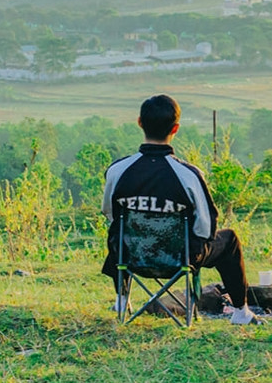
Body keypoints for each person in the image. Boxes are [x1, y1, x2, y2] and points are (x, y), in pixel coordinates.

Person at [102, 94, 251, 315]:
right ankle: (241, 312)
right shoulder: (189, 175)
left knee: (119, 234)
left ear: (140, 123)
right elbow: (206, 227)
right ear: (175, 129)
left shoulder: (117, 170)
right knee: (229, 240)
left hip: (132, 256)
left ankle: (122, 301)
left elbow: (110, 215)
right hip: (180, 258)